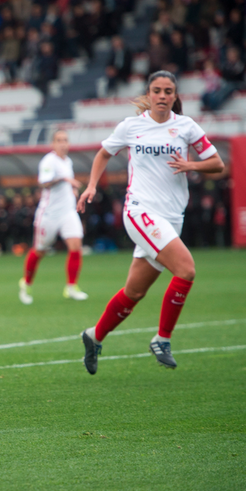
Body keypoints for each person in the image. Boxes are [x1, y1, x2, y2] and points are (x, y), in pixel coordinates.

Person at [77, 71, 224, 374]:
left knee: (134, 292)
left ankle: (94, 336)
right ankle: (162, 339)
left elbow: (217, 163)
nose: (162, 96)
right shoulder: (132, 126)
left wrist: (192, 164)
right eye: (156, 90)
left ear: (174, 96)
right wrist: (91, 185)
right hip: (140, 211)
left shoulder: (186, 126)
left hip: (171, 218)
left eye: (168, 91)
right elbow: (104, 153)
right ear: (148, 93)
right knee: (186, 270)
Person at [19, 130, 87, 305]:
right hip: (49, 215)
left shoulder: (68, 161)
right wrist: (64, 179)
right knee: (39, 250)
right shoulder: (49, 161)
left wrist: (71, 189)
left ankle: (71, 287)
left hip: (68, 212)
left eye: (65, 140)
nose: (63, 143)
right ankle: (26, 283)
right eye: (59, 140)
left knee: (76, 246)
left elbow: (66, 183)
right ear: (52, 144)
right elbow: (44, 183)